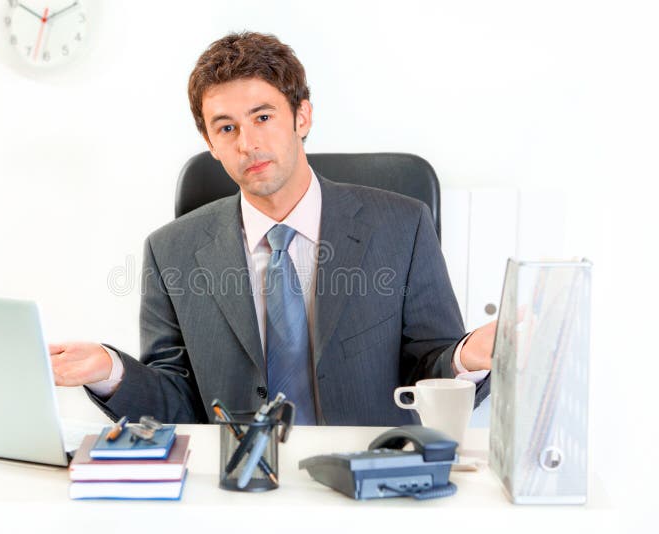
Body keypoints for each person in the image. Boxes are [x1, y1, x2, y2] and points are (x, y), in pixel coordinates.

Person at [50, 32, 495, 426]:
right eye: (226, 128)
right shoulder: (170, 251)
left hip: (368, 478)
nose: (248, 144)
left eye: (263, 117)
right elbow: (178, 405)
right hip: (238, 481)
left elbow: (430, 373)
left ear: (302, 118)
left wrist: (467, 356)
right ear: (211, 144)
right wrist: (110, 370)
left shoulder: (403, 225)